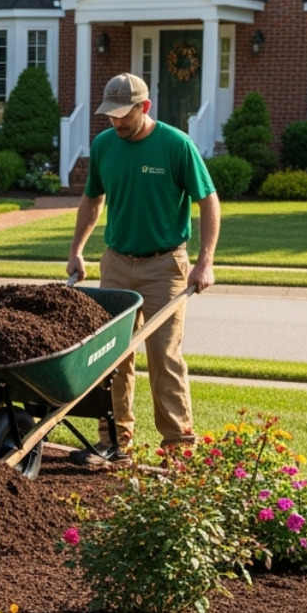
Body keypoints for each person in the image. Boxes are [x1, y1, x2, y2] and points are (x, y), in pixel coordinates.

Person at [65, 72, 218, 466]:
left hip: (164, 265)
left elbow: (209, 201)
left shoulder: (175, 145)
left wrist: (204, 263)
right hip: (116, 263)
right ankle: (114, 442)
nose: (116, 122)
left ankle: (179, 448)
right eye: (110, 115)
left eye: (123, 115)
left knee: (164, 356)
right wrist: (77, 251)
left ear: (144, 107)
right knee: (112, 356)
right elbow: (92, 201)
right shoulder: (103, 146)